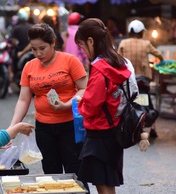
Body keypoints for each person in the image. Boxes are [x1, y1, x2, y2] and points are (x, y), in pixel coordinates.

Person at [9, 23, 88, 184]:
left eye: (42, 48)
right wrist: (12, 127)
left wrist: (66, 105)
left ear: (53, 42)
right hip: (44, 128)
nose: (38, 53)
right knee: (51, 174)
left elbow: (84, 89)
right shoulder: (29, 67)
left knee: (75, 171)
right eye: (33, 49)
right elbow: (24, 99)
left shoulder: (70, 61)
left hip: (70, 125)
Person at [74, 18, 138, 194]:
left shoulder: (99, 69)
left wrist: (81, 104)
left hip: (99, 133)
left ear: (91, 41)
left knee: (102, 185)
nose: (84, 51)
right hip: (116, 130)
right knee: (108, 183)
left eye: (82, 46)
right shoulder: (122, 62)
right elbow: (134, 92)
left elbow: (91, 106)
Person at [117, 19, 163, 138]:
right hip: (144, 79)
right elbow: (158, 54)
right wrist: (162, 62)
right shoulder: (146, 43)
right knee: (149, 97)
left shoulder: (123, 43)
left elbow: (117, 59)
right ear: (141, 32)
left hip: (128, 78)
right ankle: (152, 127)